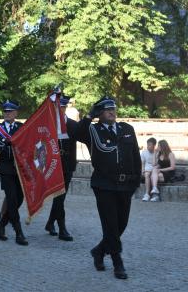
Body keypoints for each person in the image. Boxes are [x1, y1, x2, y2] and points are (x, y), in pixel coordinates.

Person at [76, 96, 141, 280]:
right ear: (99, 113)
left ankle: (99, 250)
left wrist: (136, 181)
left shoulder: (127, 129)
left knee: (122, 224)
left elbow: (135, 156)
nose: (112, 111)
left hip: (125, 185)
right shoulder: (93, 130)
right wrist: (89, 115)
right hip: (104, 185)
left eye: (113, 108)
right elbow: (77, 133)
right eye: (107, 109)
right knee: (111, 225)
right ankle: (117, 262)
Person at [0, 100, 28, 246]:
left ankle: (1, 225)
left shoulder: (21, 127)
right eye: (5, 111)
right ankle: (19, 233)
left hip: (20, 168)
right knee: (11, 199)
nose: (8, 114)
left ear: (16, 113)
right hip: (5, 168)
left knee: (20, 199)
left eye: (10, 111)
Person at [44, 96, 78, 241]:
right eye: (58, 107)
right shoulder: (49, 125)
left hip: (68, 164)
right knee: (59, 197)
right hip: (54, 165)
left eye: (63, 107)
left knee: (60, 197)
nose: (61, 110)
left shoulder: (72, 124)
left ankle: (51, 223)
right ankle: (62, 228)